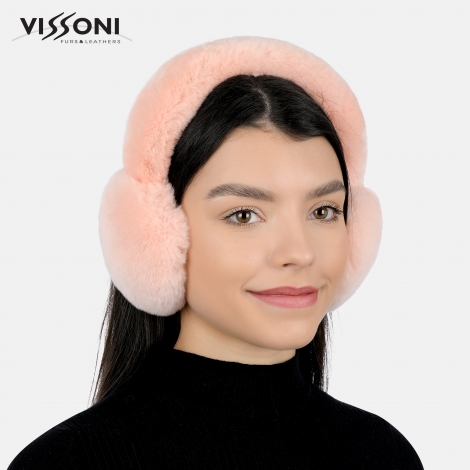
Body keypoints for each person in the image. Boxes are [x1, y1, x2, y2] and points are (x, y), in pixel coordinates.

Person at [8, 36, 424, 469]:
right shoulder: (68, 463)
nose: (299, 253)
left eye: (323, 211)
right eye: (244, 215)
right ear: (155, 237)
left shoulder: (382, 454)